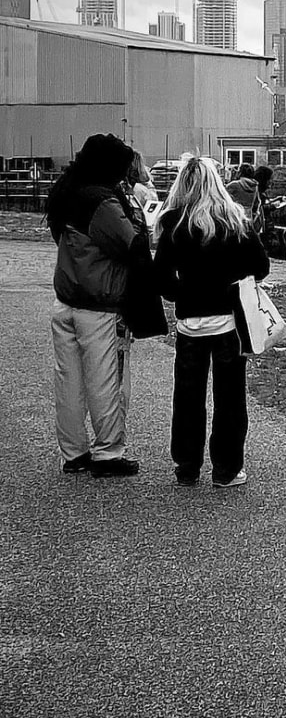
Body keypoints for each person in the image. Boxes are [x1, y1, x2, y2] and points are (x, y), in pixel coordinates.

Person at [153, 155, 269, 488]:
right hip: (228, 323)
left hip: (190, 322)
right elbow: (260, 266)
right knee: (230, 398)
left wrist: (183, 293)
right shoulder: (234, 220)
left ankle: (187, 465)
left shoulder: (174, 222)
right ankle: (227, 469)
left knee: (188, 396)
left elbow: (160, 277)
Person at [45, 133, 141, 477]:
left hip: (65, 298)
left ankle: (72, 452)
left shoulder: (65, 192)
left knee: (68, 381)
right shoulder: (102, 202)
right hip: (100, 304)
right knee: (106, 380)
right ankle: (108, 452)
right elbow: (131, 244)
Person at [227, 162, 264, 233]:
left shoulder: (234, 185)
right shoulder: (255, 186)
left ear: (240, 172)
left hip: (235, 220)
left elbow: (222, 197)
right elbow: (257, 204)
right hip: (248, 221)